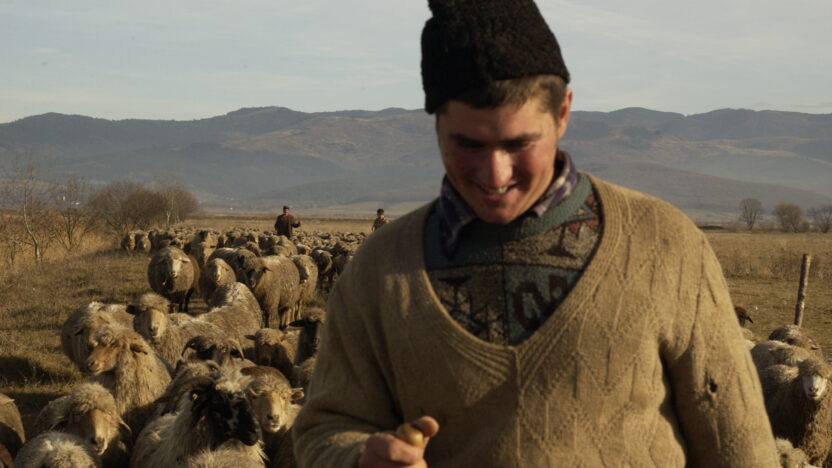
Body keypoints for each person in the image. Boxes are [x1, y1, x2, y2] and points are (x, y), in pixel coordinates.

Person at [293, 0, 779, 466]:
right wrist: (360, 458)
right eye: (468, 144)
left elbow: (739, 443)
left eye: (519, 143)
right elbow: (326, 427)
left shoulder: (665, 244)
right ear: (437, 124)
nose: (495, 174)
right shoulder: (379, 270)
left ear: (563, 113)